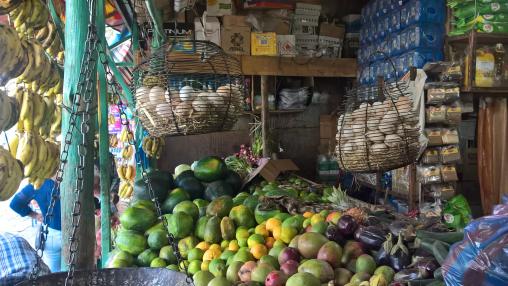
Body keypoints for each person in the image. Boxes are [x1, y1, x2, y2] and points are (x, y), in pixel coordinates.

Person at [9, 179, 61, 273]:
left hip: (51, 234)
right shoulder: (78, 176)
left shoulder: (38, 183)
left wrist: (35, 215)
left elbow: (15, 204)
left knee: (55, 273)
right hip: (77, 232)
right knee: (79, 270)